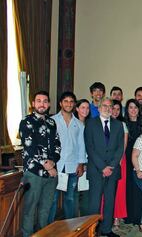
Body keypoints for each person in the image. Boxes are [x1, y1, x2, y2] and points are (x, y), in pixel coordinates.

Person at [19, 91, 61, 237]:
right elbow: (30, 147)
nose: (42, 104)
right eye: (38, 101)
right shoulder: (26, 122)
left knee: (45, 209)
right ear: (33, 104)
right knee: (30, 209)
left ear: (48, 104)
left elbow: (57, 145)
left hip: (51, 174)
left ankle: (43, 234)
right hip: (33, 173)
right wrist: (47, 165)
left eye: (45, 101)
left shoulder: (51, 122)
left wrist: (53, 162)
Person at [84, 97, 124, 237]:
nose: (108, 108)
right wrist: (103, 167)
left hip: (112, 171)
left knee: (110, 201)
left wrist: (111, 166)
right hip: (96, 170)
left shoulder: (118, 125)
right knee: (94, 203)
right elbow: (90, 148)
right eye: (105, 106)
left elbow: (120, 148)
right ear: (99, 108)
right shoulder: (90, 124)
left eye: (110, 106)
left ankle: (107, 229)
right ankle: (91, 231)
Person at [48, 92, 87, 223]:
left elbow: (82, 145)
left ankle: (70, 228)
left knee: (70, 199)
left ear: (74, 104)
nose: (68, 104)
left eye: (71, 101)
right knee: (52, 199)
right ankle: (50, 228)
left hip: (73, 167)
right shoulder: (52, 121)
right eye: (66, 101)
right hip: (55, 167)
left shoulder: (79, 124)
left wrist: (81, 164)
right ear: (60, 103)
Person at [123, 99, 142, 225]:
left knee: (139, 188)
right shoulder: (122, 123)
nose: (133, 110)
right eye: (130, 107)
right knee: (128, 187)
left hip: (141, 160)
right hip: (126, 159)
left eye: (135, 107)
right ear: (127, 110)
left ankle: (139, 216)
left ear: (139, 109)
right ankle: (129, 216)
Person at [111, 100, 128, 227]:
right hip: (105, 161)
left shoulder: (122, 124)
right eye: (113, 108)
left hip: (120, 160)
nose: (115, 111)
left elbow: (123, 145)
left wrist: (118, 160)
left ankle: (117, 215)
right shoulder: (103, 122)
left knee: (119, 189)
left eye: (118, 109)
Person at [74, 99, 90, 216]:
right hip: (73, 164)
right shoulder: (72, 123)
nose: (85, 110)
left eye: (87, 108)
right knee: (73, 196)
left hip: (88, 164)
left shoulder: (90, 124)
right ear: (77, 109)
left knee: (85, 196)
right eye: (82, 107)